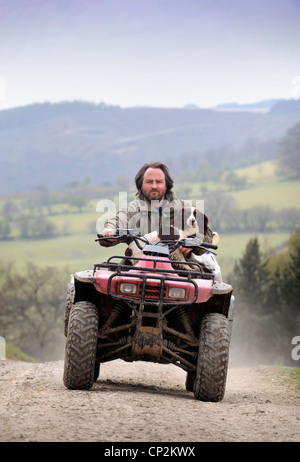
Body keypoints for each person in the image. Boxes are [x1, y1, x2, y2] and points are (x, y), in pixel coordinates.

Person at [99, 161, 213, 261]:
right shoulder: (132, 210)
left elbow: (206, 234)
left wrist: (193, 242)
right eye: (149, 182)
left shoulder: (185, 208)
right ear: (141, 185)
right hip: (139, 264)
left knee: (208, 281)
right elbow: (118, 221)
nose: (154, 186)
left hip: (180, 265)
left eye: (159, 182)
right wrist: (109, 231)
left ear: (166, 184)